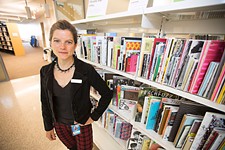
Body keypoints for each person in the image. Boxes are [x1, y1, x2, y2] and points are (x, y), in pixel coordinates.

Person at [40, 20, 113, 150]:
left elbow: (107, 93)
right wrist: (48, 127)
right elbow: (45, 101)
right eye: (57, 41)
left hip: (80, 125)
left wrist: (93, 117)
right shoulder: (45, 71)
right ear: (50, 42)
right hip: (59, 126)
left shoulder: (86, 70)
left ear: (75, 45)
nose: (62, 47)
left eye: (68, 42)